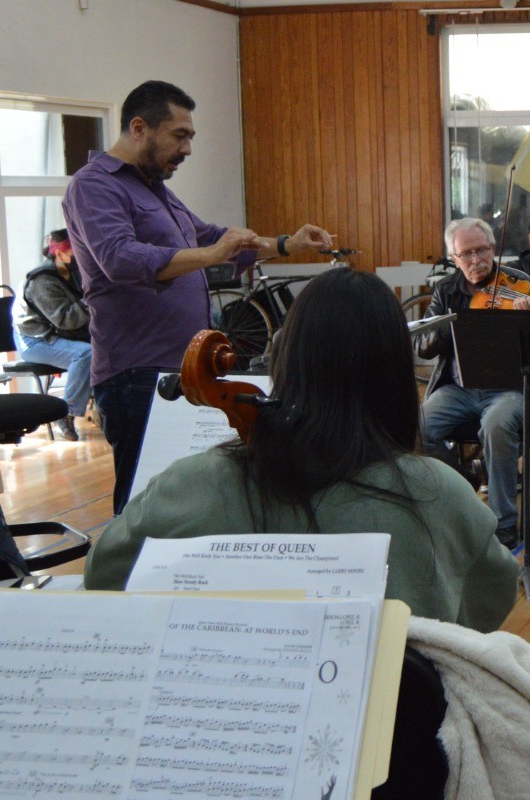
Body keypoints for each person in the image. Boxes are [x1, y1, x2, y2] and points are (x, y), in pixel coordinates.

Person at [83, 267, 519, 631]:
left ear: (284, 359)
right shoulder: (439, 493)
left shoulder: (190, 482)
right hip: (395, 708)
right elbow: (489, 604)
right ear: (396, 376)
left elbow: (104, 573)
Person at [63, 80, 333, 514]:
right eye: (179, 135)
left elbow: (211, 237)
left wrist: (286, 244)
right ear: (139, 128)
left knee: (187, 499)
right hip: (138, 372)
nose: (187, 148)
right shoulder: (93, 186)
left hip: (184, 368)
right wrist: (211, 255)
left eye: (190, 136)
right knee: (143, 504)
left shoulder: (155, 189)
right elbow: (119, 258)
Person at [417, 217, 530, 547]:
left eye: (481, 250)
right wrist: (449, 323)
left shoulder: (518, 283)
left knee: (496, 424)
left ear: (493, 248)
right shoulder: (446, 290)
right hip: (459, 389)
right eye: (466, 254)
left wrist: (529, 321)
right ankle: (462, 483)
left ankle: (502, 523)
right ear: (454, 258)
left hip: (509, 389)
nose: (476, 260)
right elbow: (423, 346)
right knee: (418, 426)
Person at [14, 229, 92, 441]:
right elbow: (67, 320)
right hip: (35, 340)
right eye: (77, 252)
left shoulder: (73, 272)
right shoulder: (41, 281)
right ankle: (65, 413)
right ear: (59, 254)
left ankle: (108, 410)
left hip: (60, 334)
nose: (82, 256)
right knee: (86, 354)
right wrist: (92, 297)